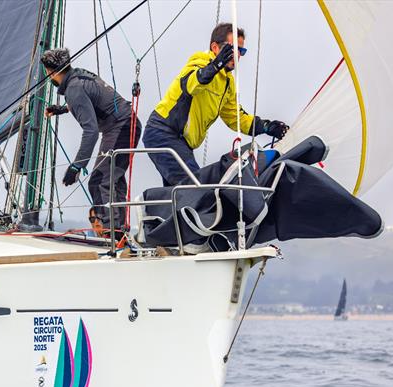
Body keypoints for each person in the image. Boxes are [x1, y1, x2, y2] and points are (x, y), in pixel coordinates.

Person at [142, 23, 289, 186]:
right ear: (215, 47)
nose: (237, 55)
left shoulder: (228, 83)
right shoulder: (200, 61)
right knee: (196, 187)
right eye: (232, 49)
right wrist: (215, 65)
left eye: (241, 51)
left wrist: (267, 127)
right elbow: (191, 84)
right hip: (163, 132)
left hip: (182, 142)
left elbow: (236, 118)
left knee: (180, 197)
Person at [41, 47, 141, 233]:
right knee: (113, 181)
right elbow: (93, 100)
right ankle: (119, 234)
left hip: (121, 127)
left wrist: (76, 166)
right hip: (127, 125)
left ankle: (111, 233)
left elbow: (91, 131)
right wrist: (63, 109)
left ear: (51, 72)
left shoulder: (73, 89)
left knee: (98, 180)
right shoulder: (79, 76)